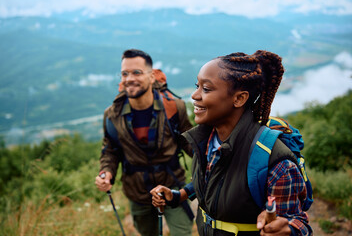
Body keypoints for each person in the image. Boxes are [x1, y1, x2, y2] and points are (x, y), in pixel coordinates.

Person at [150, 50, 313, 235]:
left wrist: (288, 229)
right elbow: (213, 179)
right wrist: (179, 195)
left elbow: (299, 223)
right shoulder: (206, 140)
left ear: (239, 98)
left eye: (206, 89)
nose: (195, 95)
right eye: (197, 86)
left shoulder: (275, 162)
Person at [95, 49, 194, 236]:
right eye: (125, 73)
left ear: (151, 76)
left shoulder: (174, 108)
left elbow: (190, 143)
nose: (129, 78)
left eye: (136, 73)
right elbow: (110, 150)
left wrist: (209, 164)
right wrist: (106, 172)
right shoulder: (112, 115)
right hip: (138, 192)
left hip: (172, 186)